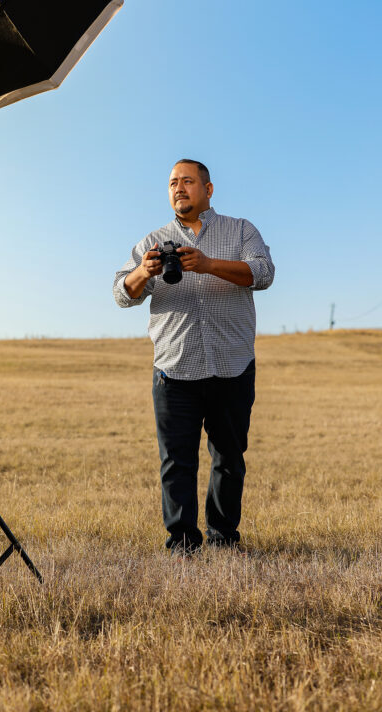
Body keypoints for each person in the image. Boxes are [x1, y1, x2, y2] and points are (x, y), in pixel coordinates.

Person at [113, 159, 275, 555]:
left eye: (187, 181)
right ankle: (182, 544)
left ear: (208, 189)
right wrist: (143, 273)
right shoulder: (153, 240)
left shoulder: (240, 230)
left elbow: (264, 273)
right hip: (174, 368)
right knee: (176, 463)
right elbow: (121, 293)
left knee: (229, 459)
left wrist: (206, 264)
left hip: (231, 365)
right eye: (172, 182)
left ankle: (223, 540)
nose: (178, 188)